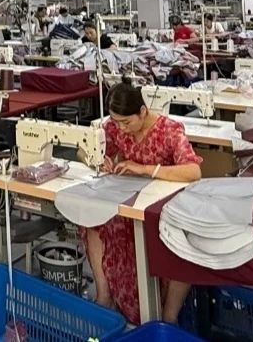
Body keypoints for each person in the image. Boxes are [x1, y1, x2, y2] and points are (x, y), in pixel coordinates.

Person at [83, 80, 201, 323]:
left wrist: (146, 169)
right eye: (116, 122)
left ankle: (168, 318)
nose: (121, 128)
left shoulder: (169, 130)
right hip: (131, 201)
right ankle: (105, 297)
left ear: (143, 111)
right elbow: (85, 148)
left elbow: (193, 171)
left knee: (183, 240)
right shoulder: (116, 127)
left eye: (126, 122)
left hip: (164, 207)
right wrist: (96, 159)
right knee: (92, 220)